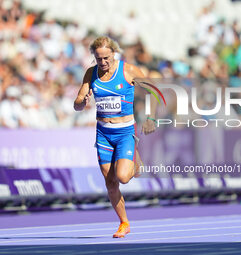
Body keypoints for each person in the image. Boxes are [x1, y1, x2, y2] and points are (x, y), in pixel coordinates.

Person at [74, 36, 156, 238]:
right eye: (98, 58)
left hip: (125, 132)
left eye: (106, 58)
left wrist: (151, 118)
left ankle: (135, 158)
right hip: (103, 133)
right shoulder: (91, 73)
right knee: (110, 183)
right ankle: (124, 223)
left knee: (123, 177)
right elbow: (76, 104)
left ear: (114, 54)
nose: (102, 63)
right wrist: (82, 101)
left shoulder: (128, 71)